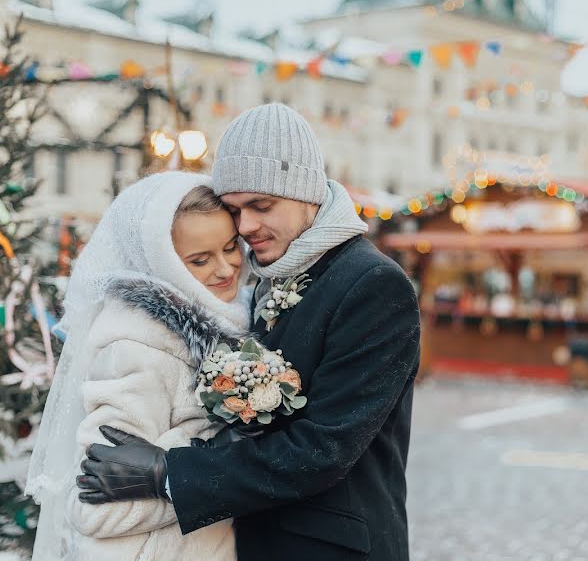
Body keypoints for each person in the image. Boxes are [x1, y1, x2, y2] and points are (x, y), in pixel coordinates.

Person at [77, 103, 421, 560]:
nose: (245, 227)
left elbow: (324, 448)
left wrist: (168, 472)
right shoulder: (262, 276)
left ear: (306, 192)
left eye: (262, 206)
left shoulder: (372, 283)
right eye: (236, 209)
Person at [26, 172, 256, 560]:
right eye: (200, 260)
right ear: (162, 262)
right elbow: (94, 512)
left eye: (230, 246)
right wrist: (205, 466)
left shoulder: (237, 320)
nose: (225, 268)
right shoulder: (137, 347)